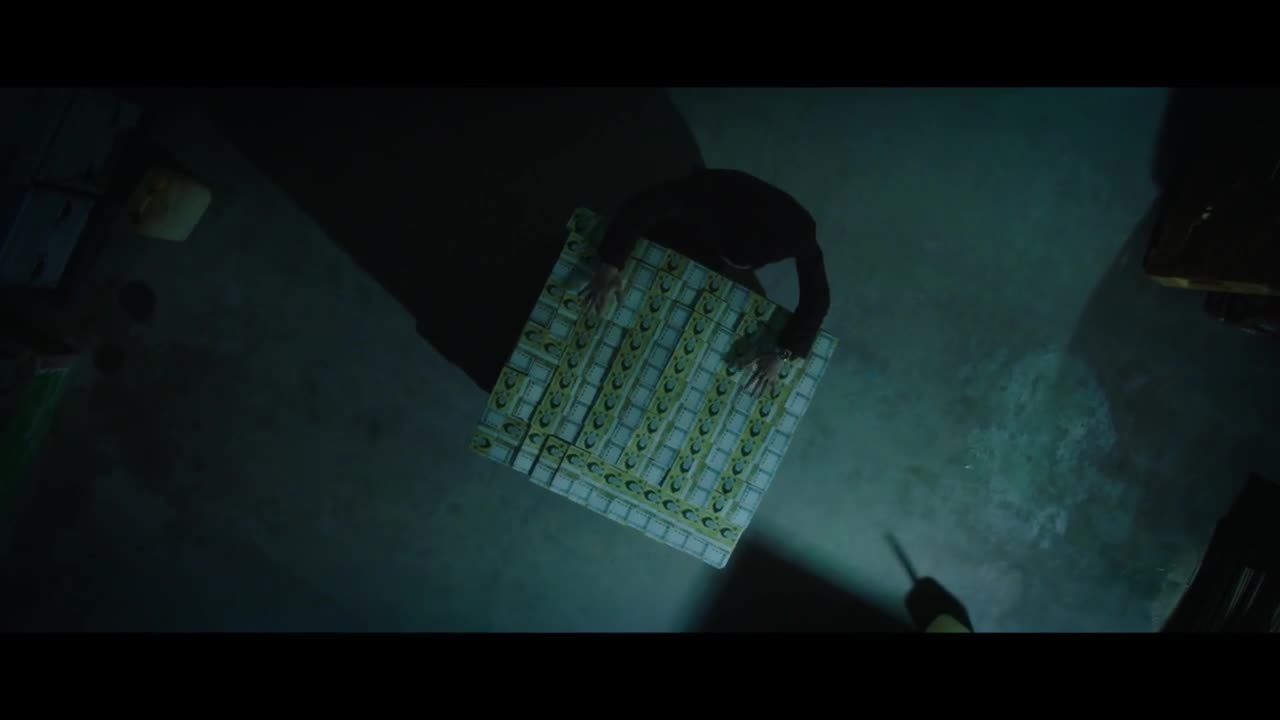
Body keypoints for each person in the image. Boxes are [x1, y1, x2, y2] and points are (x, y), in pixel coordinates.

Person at [583, 168, 831, 396]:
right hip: (704, 213)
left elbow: (818, 298)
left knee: (701, 276)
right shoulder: (704, 192)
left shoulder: (799, 234)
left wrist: (783, 354)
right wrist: (610, 264)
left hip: (723, 232)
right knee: (656, 245)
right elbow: (642, 207)